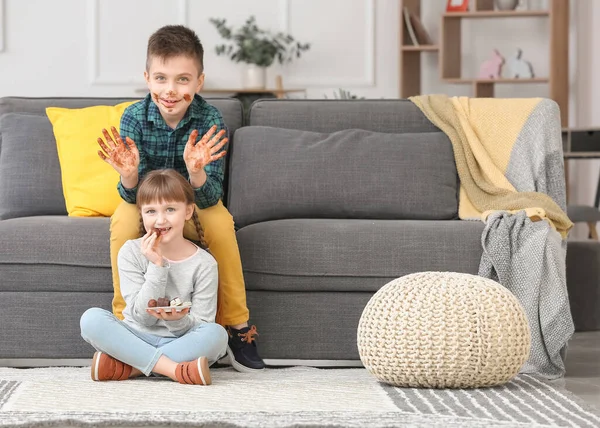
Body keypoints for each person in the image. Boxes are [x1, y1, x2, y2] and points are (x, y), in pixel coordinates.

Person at [96, 25, 264, 372]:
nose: (170, 90)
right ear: (147, 78)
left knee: (221, 223)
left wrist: (196, 171)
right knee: (122, 220)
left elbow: (211, 195)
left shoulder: (209, 118)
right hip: (148, 205)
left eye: (182, 80)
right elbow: (131, 195)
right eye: (161, 79)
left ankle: (237, 326)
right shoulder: (133, 117)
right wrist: (129, 174)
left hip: (194, 205)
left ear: (199, 82)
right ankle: (123, 322)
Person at [80, 169, 228, 384]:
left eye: (170, 209)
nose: (160, 220)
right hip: (136, 335)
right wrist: (157, 266)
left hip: (180, 340)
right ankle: (175, 370)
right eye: (151, 211)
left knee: (217, 336)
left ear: (187, 211)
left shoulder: (205, 264)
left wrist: (178, 321)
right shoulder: (130, 251)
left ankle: (130, 368)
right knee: (91, 319)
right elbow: (142, 318)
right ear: (141, 214)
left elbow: (202, 323)